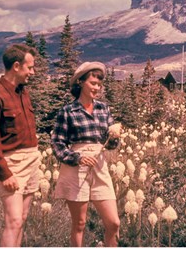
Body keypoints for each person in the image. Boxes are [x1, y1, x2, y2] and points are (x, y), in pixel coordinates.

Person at [51, 61, 121, 247]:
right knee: (79, 224)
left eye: (99, 84)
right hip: (75, 168)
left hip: (99, 165)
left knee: (113, 223)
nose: (97, 87)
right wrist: (78, 158)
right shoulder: (67, 111)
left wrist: (114, 135)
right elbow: (57, 144)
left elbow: (111, 144)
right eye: (93, 83)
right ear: (80, 82)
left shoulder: (103, 109)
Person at [0, 44, 41, 247]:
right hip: (12, 165)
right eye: (29, 67)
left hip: (32, 161)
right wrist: (4, 174)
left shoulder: (23, 92)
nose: (32, 72)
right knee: (13, 221)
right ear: (16, 66)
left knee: (22, 219)